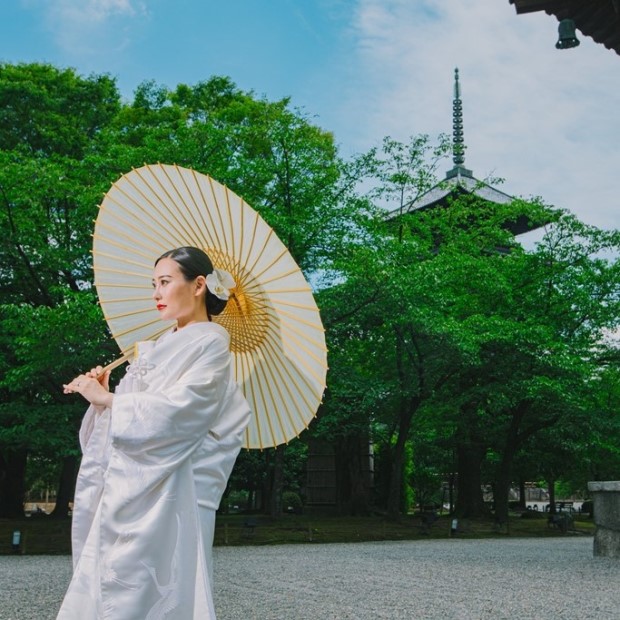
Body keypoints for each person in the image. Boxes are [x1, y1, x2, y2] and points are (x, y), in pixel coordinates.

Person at [57, 246, 251, 620]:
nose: (156, 294)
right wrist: (103, 399)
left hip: (172, 489)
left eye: (165, 282)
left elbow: (183, 411)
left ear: (198, 286)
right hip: (133, 485)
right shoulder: (158, 346)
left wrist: (112, 401)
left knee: (154, 592)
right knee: (111, 584)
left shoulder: (211, 343)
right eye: (153, 284)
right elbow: (129, 418)